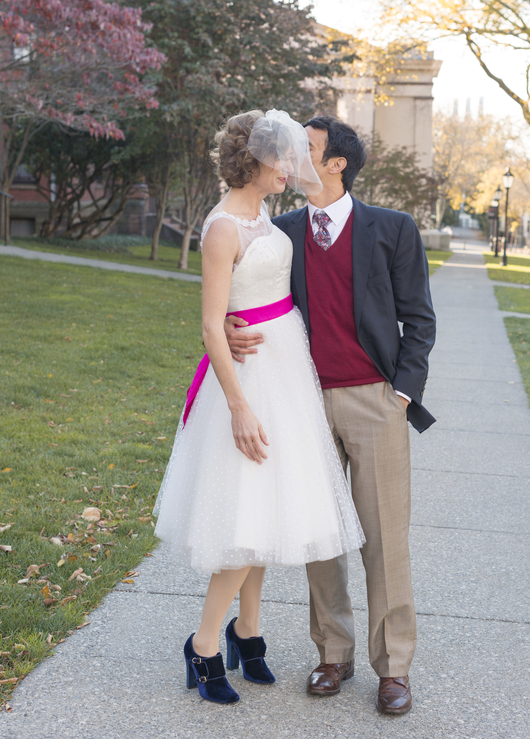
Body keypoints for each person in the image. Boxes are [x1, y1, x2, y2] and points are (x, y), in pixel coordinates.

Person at [225, 115, 436, 715]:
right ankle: (332, 653)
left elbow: (419, 319)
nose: (290, 158)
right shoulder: (280, 230)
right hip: (303, 400)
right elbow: (250, 294)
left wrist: (401, 394)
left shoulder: (393, 229)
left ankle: (393, 667)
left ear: (337, 162)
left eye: (306, 149)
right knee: (322, 536)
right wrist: (234, 324)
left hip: (375, 399)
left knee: (385, 539)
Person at [153, 109, 364, 706]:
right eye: (285, 157)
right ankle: (203, 645)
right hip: (248, 382)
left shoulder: (266, 215)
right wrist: (240, 408)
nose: (294, 167)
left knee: (268, 512)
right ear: (255, 160)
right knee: (245, 522)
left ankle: (249, 632)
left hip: (287, 369)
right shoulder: (223, 228)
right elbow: (209, 326)